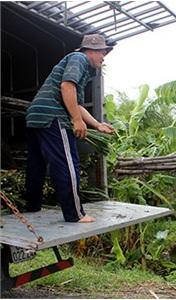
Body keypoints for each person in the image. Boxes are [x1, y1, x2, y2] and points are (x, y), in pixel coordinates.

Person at [25, 34, 114, 223]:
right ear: (91, 50)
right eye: (102, 52)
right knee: (67, 164)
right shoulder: (79, 58)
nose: (104, 56)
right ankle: (75, 214)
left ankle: (32, 207)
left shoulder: (78, 65)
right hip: (53, 116)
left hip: (36, 115)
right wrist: (76, 120)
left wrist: (97, 125)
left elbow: (78, 105)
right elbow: (66, 87)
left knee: (36, 165)